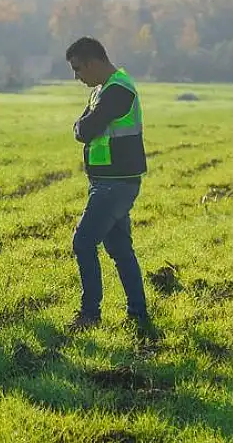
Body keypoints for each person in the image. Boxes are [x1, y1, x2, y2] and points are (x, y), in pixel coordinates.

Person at [64, 36, 151, 333]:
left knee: (83, 242)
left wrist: (82, 125)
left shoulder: (117, 90)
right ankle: (138, 314)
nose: (77, 77)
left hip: (115, 185)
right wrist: (83, 125)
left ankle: (90, 314)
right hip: (108, 181)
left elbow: (85, 128)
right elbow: (85, 126)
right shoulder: (103, 90)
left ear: (93, 62)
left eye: (78, 69)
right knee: (120, 249)